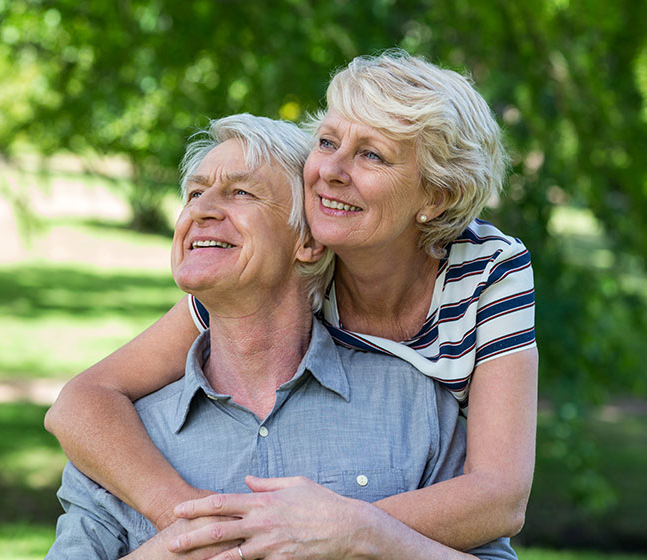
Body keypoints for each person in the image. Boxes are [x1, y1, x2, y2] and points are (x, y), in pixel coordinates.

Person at [45, 49, 537, 555]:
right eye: (327, 142)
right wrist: (195, 524)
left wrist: (344, 532)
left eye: (372, 155)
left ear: (435, 196)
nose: (330, 171)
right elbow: (82, 400)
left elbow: (500, 495)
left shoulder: (484, 276)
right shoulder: (280, 271)